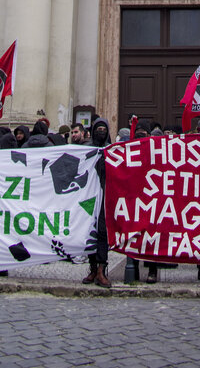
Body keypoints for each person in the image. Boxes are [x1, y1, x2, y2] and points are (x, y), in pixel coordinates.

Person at [82, 117, 112, 288]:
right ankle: (93, 268)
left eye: (103, 128)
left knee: (102, 232)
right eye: (98, 128)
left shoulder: (113, 150)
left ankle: (102, 269)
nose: (101, 131)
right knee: (88, 231)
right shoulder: (85, 150)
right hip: (88, 196)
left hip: (106, 196)